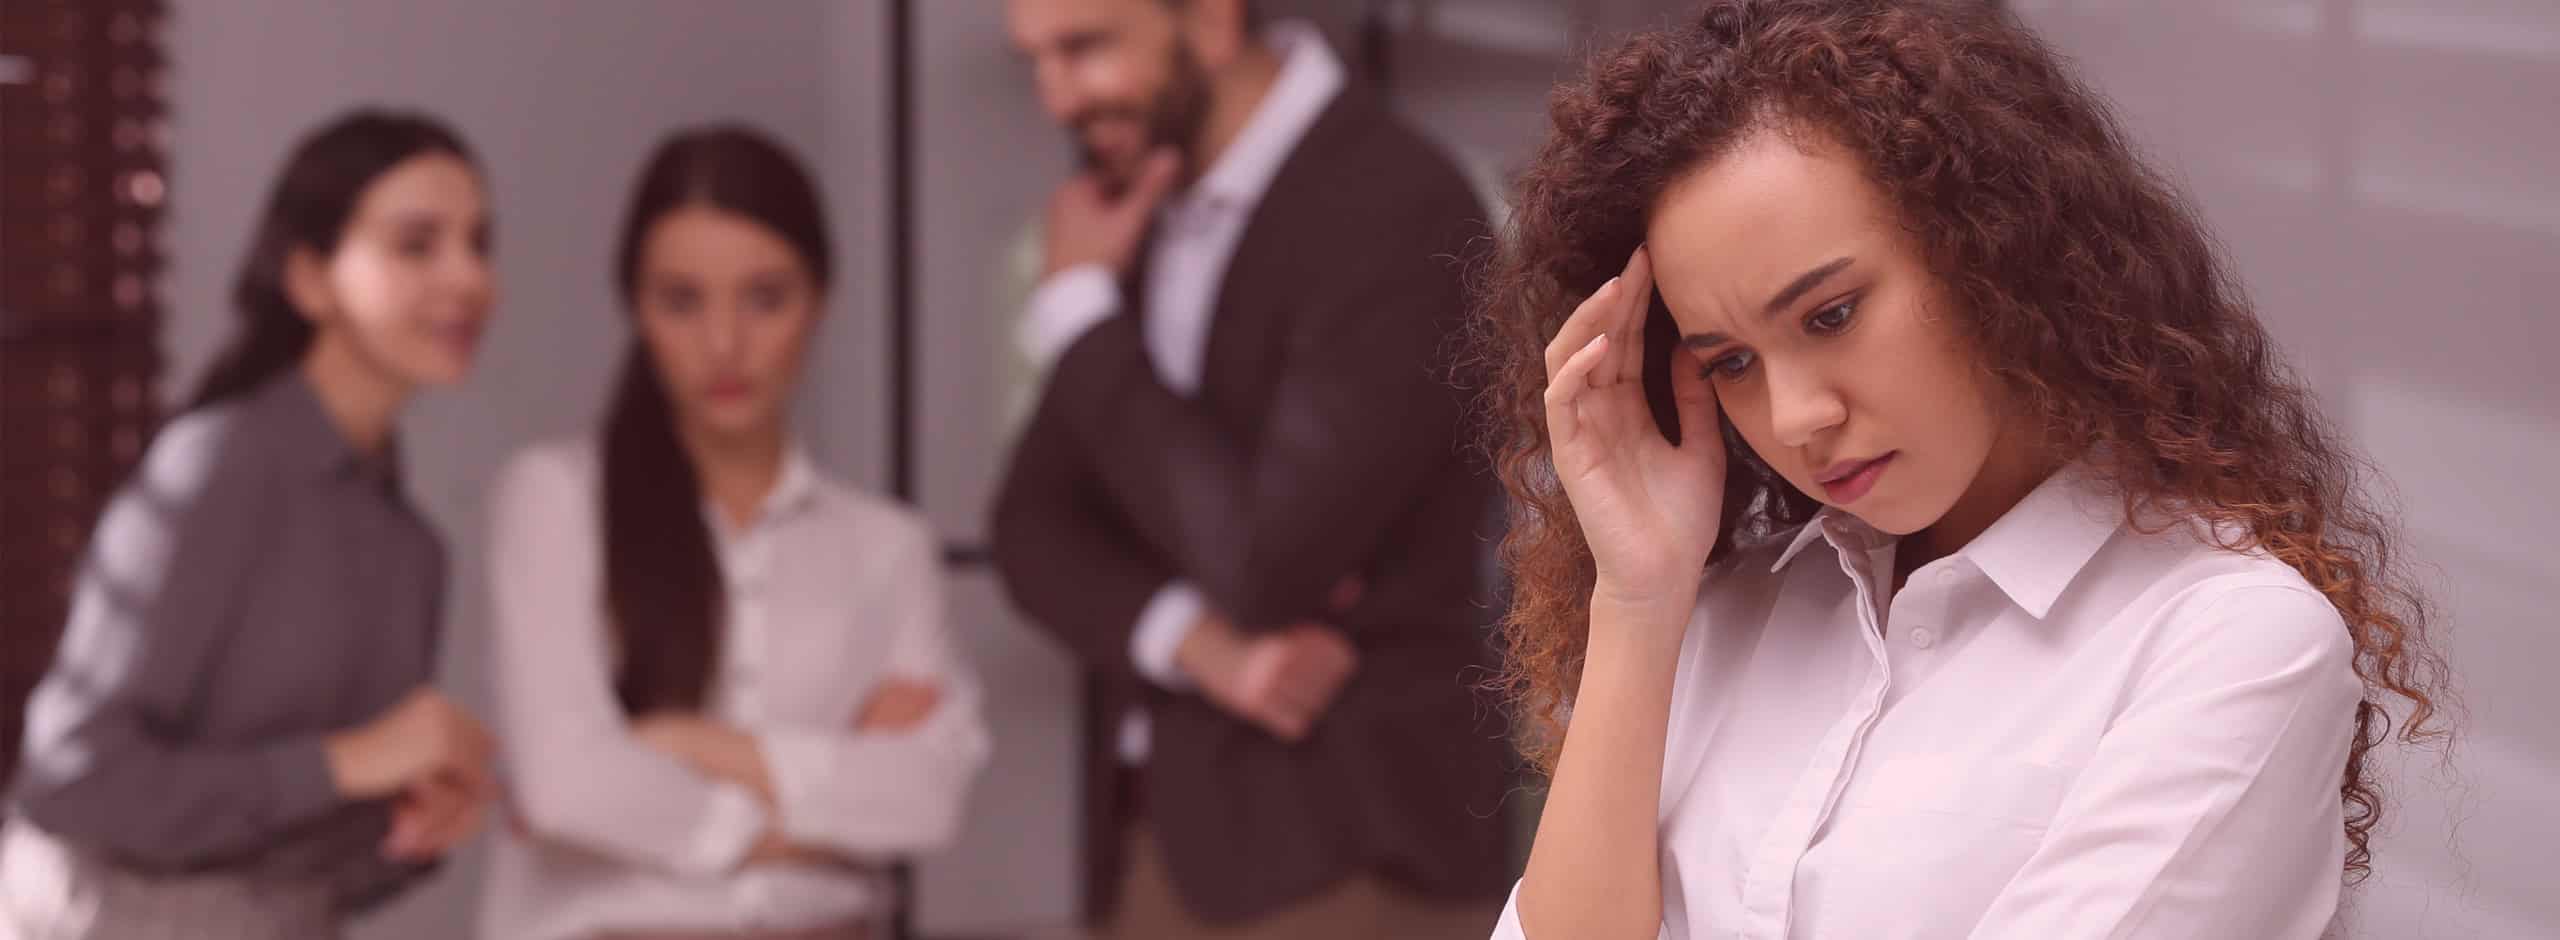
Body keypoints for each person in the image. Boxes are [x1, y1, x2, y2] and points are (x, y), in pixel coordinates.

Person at [1476, 2, 2455, 938]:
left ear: (1990, 250)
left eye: (1830, 315)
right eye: (1731, 362)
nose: (1796, 416)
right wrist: (1640, 601)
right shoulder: (1722, 621)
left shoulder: (2227, 643)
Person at [992, 1, 1514, 937]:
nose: (1056, 98)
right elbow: (1030, 530)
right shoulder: (1139, 206)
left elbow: (1267, 564)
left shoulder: (1400, 204)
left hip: (1359, 849)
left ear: (1214, 19)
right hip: (1171, 840)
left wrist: (1077, 307)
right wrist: (1197, 643)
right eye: (1035, 60)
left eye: (1085, 47)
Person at [479, 125, 989, 940]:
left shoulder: (889, 548)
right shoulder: (555, 502)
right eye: (681, 301)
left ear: (819, 302)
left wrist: (678, 744)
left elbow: (927, 800)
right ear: (636, 308)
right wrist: (810, 824)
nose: (724, 344)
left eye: (765, 298)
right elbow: (564, 785)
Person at [0, 110, 499, 939]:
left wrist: (409, 834)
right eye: (418, 244)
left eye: (480, 242)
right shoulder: (219, 466)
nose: (469, 278)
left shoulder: (412, 551)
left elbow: (302, 876)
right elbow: (73, 785)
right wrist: (351, 761)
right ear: (309, 278)